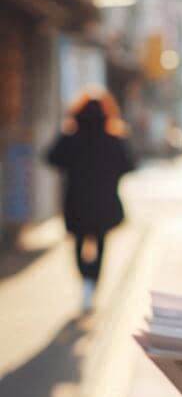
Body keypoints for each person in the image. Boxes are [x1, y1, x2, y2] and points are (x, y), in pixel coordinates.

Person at [46, 88, 135, 312]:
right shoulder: (112, 137)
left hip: (76, 200)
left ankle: (85, 280)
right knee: (101, 242)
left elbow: (52, 158)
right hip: (104, 200)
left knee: (78, 241)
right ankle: (92, 283)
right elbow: (129, 164)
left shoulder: (71, 137)